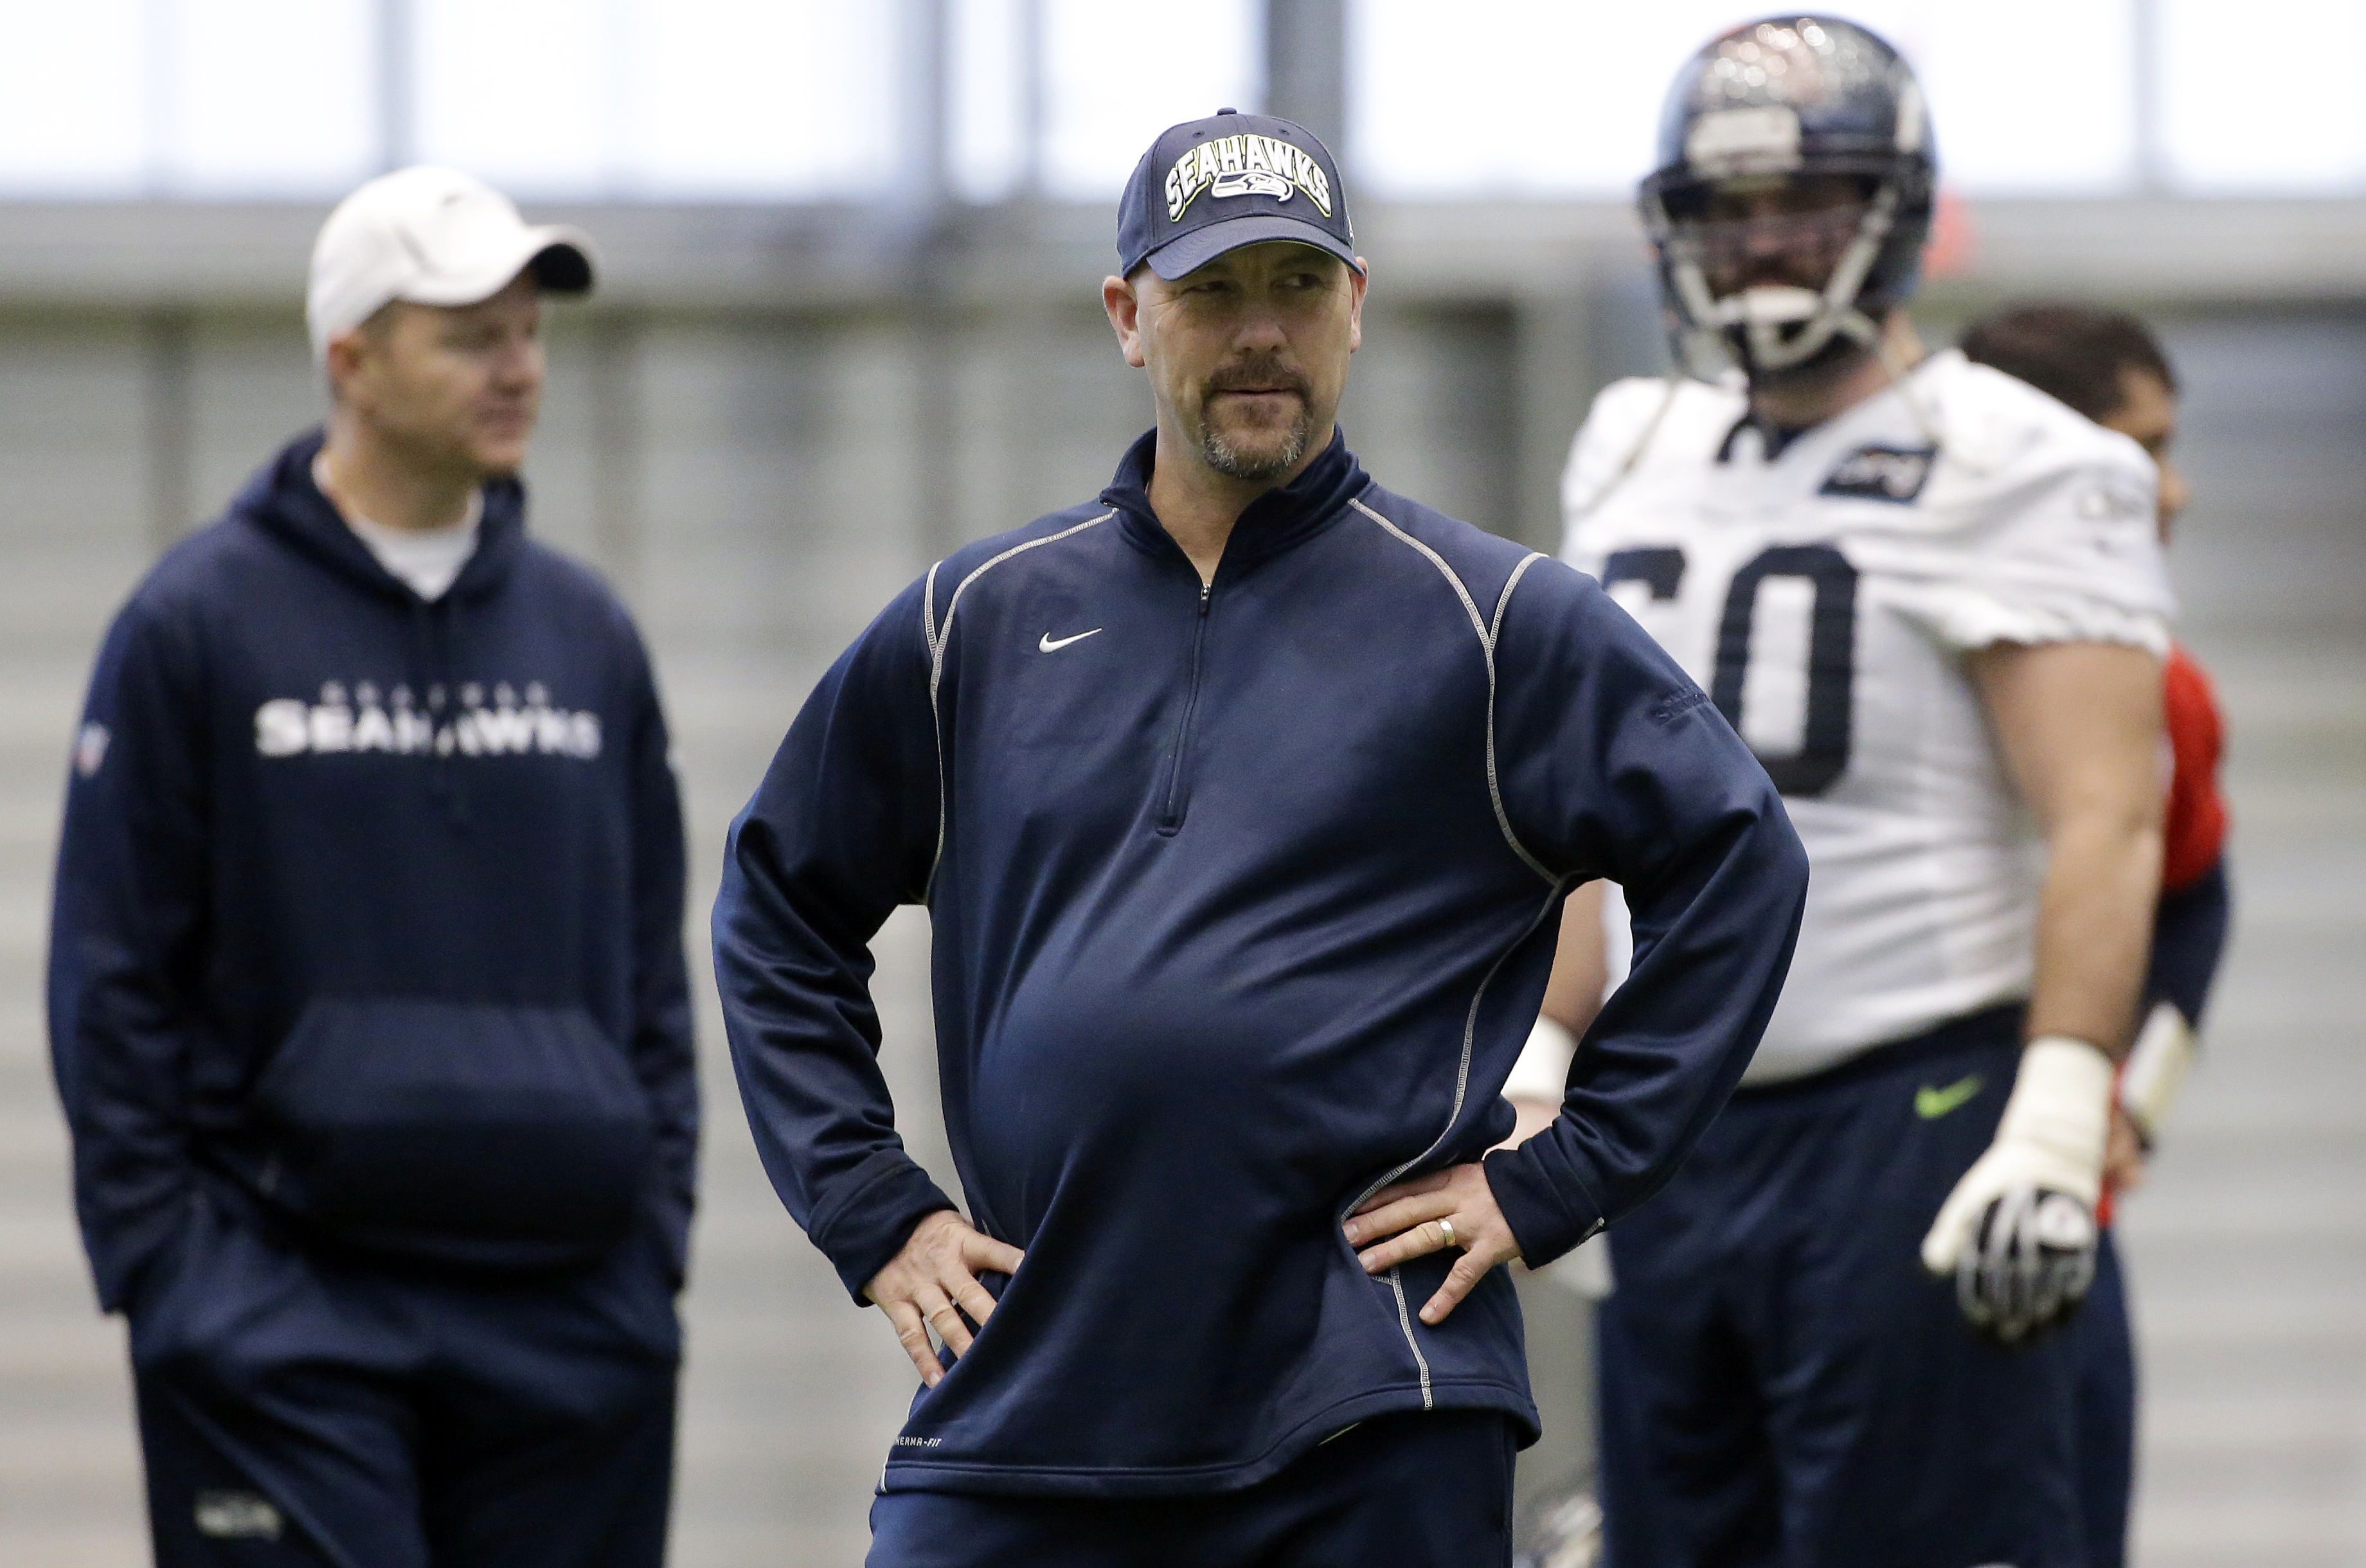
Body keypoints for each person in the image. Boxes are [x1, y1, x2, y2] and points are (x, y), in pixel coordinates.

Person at [713, 107, 1809, 1568]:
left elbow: (1738, 856)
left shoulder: (1491, 622)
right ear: (1126, 314)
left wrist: (1563, 1171)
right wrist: (871, 1207)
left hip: (1366, 1404)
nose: (1260, 335)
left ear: (1353, 306)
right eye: (1213, 291)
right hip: (1032, 1391)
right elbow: (778, 905)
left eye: (1297, 287)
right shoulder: (971, 622)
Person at [1514, 18, 2178, 1567]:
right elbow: (1579, 814)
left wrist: (2058, 1112)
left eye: (1794, 206)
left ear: (1888, 209)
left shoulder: (2018, 456)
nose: (1755, 248)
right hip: (1667, 1119)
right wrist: (1547, 1048)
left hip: (1906, 1106)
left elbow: (2105, 814)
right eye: (1723, 213)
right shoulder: (1630, 444)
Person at [48, 166, 696, 1567]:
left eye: (529, 331)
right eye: (471, 336)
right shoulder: (194, 624)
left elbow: (650, 967)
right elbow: (110, 978)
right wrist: (170, 1278)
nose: (519, 367)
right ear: (352, 358)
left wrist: (654, 1247)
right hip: (280, 1324)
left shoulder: (587, 632)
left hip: (573, 1324)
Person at [1961, 301, 2234, 1568]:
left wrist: (2123, 1102)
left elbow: (2194, 894)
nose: (2169, 490)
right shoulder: (1873, 656)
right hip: (1832, 1215)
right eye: (2142, 450)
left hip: (2048, 1244)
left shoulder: (2158, 687)